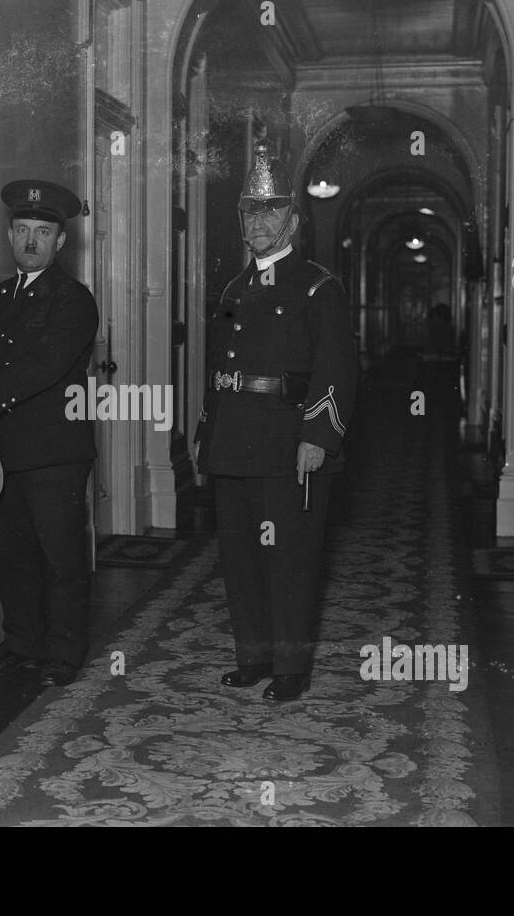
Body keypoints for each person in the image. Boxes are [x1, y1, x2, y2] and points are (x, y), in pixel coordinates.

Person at [194, 141, 358, 702]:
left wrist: (318, 436)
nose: (259, 221)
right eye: (250, 212)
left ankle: (291, 667)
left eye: (270, 211)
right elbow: (221, 369)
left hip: (289, 442)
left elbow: (335, 370)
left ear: (292, 219)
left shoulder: (317, 286)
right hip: (234, 440)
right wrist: (206, 435)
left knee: (288, 557)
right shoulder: (234, 289)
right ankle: (254, 655)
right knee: (240, 554)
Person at [0, 180, 99, 687]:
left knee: (60, 556)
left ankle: (64, 653)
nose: (32, 241)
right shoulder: (0, 296)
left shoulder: (73, 300)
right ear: (10, 236)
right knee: (13, 555)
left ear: (60, 243)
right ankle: (22, 643)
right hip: (5, 450)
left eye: (43, 232)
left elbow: (43, 368)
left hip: (55, 451)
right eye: (23, 230)